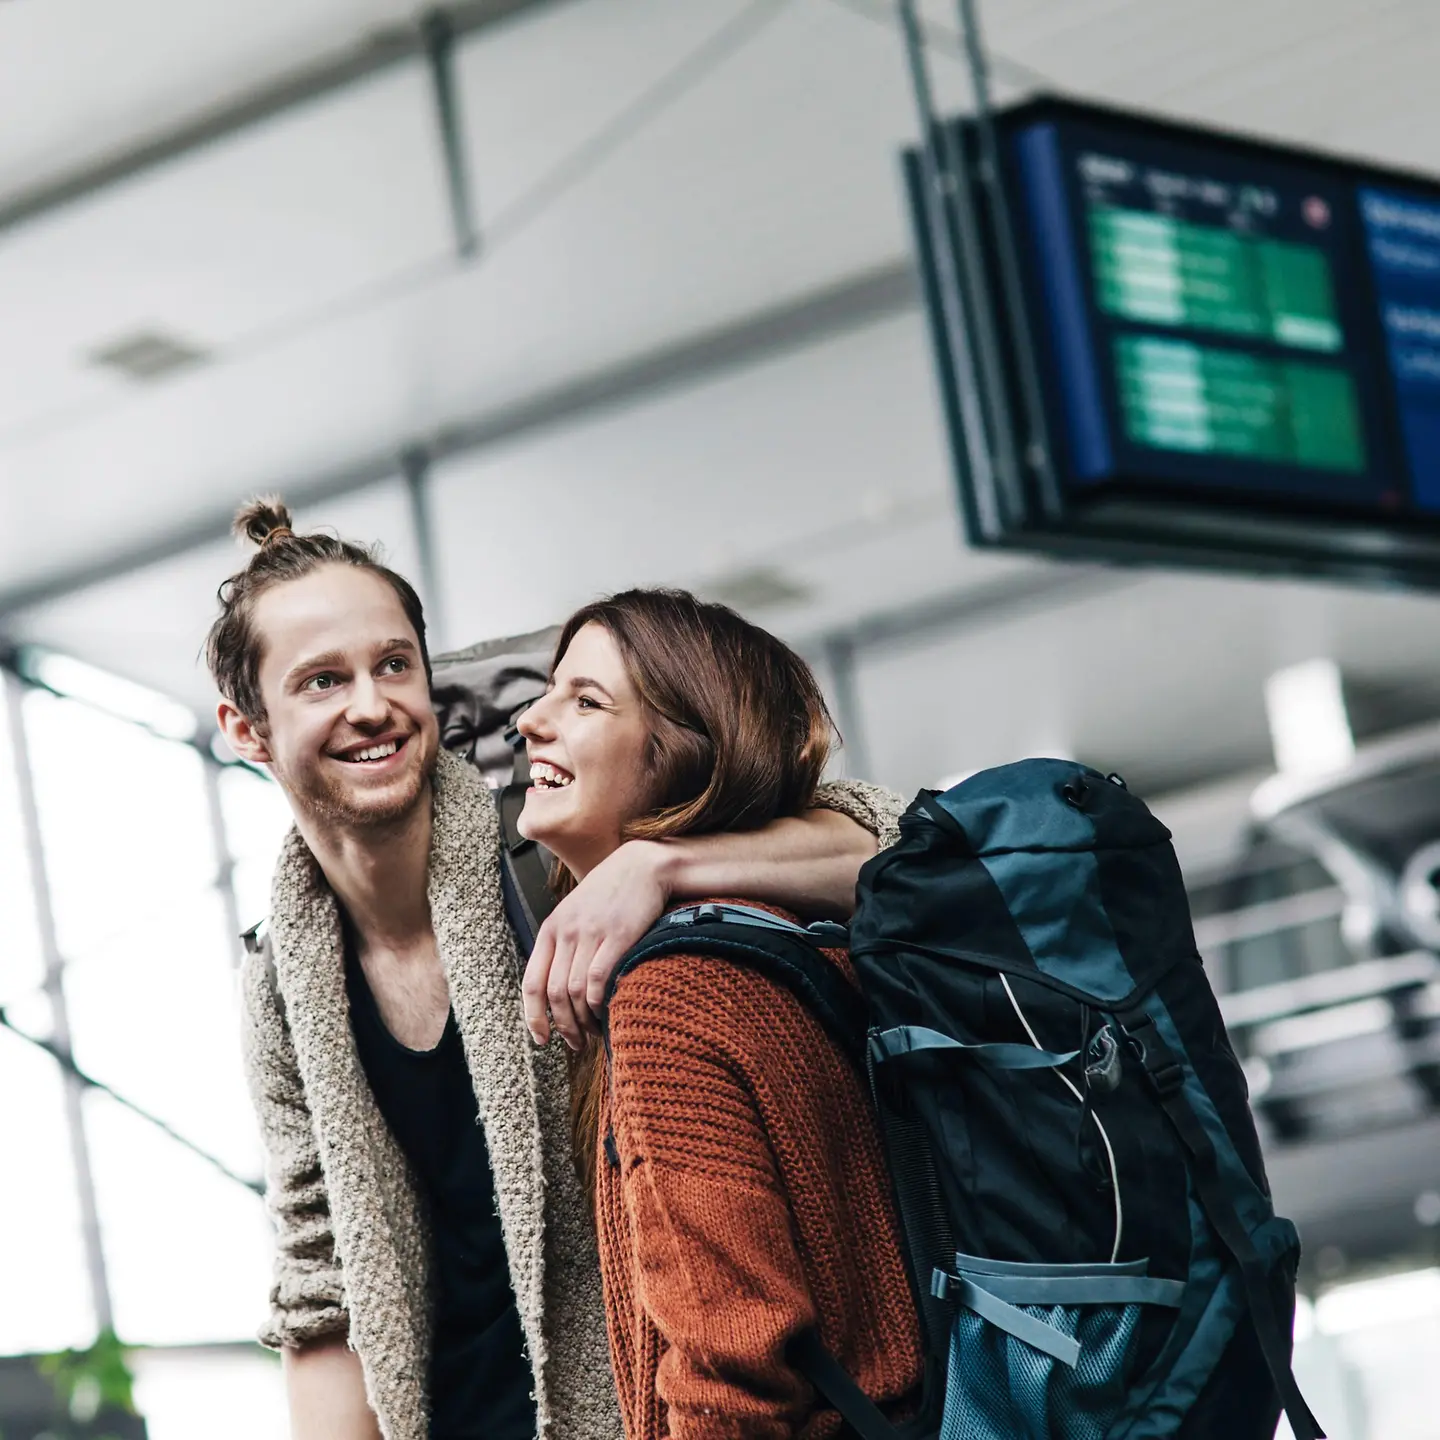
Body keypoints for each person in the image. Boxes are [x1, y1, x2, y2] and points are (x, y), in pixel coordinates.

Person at [209, 500, 905, 1440]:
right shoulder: (284, 983)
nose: (370, 705)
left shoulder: (549, 842)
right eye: (322, 681)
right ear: (247, 731)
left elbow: (900, 844)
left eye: (394, 665)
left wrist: (657, 863)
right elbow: (320, 1279)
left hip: (637, 1406)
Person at [515, 590, 924, 1440]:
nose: (530, 720)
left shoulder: (677, 994)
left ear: (680, 759)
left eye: (585, 701)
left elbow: (728, 1374)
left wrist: (656, 867)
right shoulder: (814, 949)